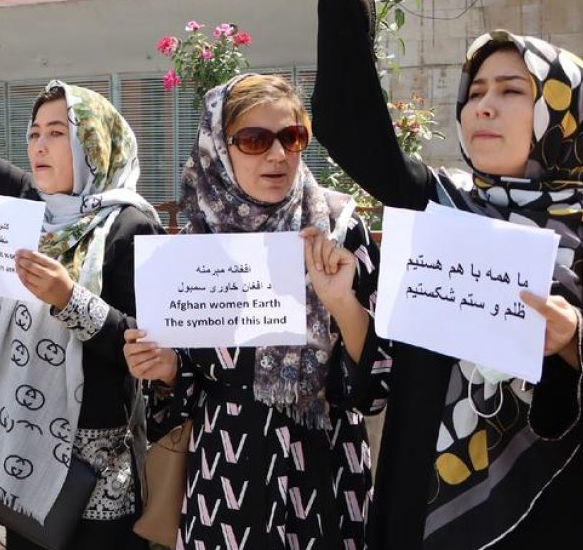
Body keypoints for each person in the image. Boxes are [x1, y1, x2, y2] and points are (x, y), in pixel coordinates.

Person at [312, 0, 583, 549]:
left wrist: (572, 346)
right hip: (417, 505)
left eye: (512, 91)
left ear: (564, 112)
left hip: (540, 512)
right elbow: (350, 129)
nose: (483, 106)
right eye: (474, 93)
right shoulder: (444, 206)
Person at [0, 3, 164, 550]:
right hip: (22, 455)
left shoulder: (130, 226)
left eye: (57, 132)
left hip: (95, 474)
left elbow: (147, 347)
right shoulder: (33, 208)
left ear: (92, 145)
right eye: (34, 133)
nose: (39, 145)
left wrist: (69, 298)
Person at [122, 73, 385, 549]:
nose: (278, 155)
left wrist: (342, 303)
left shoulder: (341, 235)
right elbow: (179, 394)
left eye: (291, 137)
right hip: (227, 480)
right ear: (218, 149)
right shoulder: (194, 250)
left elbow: (376, 389)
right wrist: (165, 370)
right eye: (254, 139)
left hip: (325, 475)